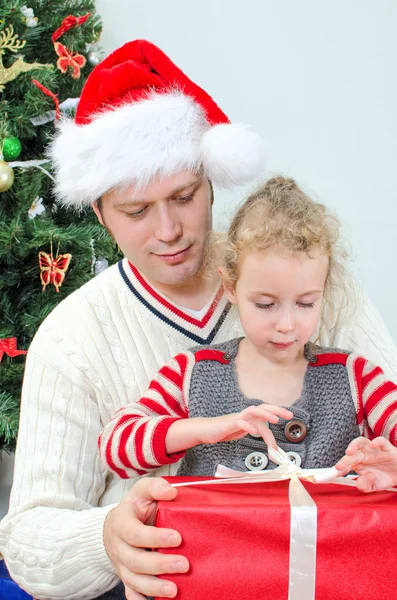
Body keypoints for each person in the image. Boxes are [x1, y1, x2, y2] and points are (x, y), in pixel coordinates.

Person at [0, 40, 397, 600]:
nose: (169, 230)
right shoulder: (71, 338)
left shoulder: (317, 283)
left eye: (184, 196)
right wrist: (105, 539)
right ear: (98, 212)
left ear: (211, 179)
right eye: (137, 211)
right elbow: (28, 541)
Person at [99, 176, 397, 483]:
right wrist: (203, 428)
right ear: (230, 287)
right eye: (266, 304)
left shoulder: (357, 378)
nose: (286, 325)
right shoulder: (193, 371)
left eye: (306, 303)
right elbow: (115, 448)